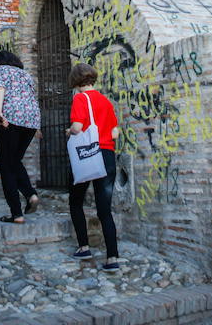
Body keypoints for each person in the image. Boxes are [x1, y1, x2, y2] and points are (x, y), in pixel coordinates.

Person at [66, 63, 120, 273]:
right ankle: (112, 258)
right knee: (105, 210)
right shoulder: (105, 101)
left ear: (75, 81)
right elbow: (115, 133)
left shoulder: (80, 98)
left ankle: (84, 247)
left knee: (75, 201)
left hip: (87, 155)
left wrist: (69, 132)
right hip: (107, 155)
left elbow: (78, 127)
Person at [0, 50, 41, 224]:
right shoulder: (25, 74)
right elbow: (32, 98)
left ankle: (17, 213)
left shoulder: (0, 70)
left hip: (10, 119)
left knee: (7, 167)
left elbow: (0, 89)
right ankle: (30, 194)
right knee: (14, 161)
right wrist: (37, 127)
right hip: (31, 121)